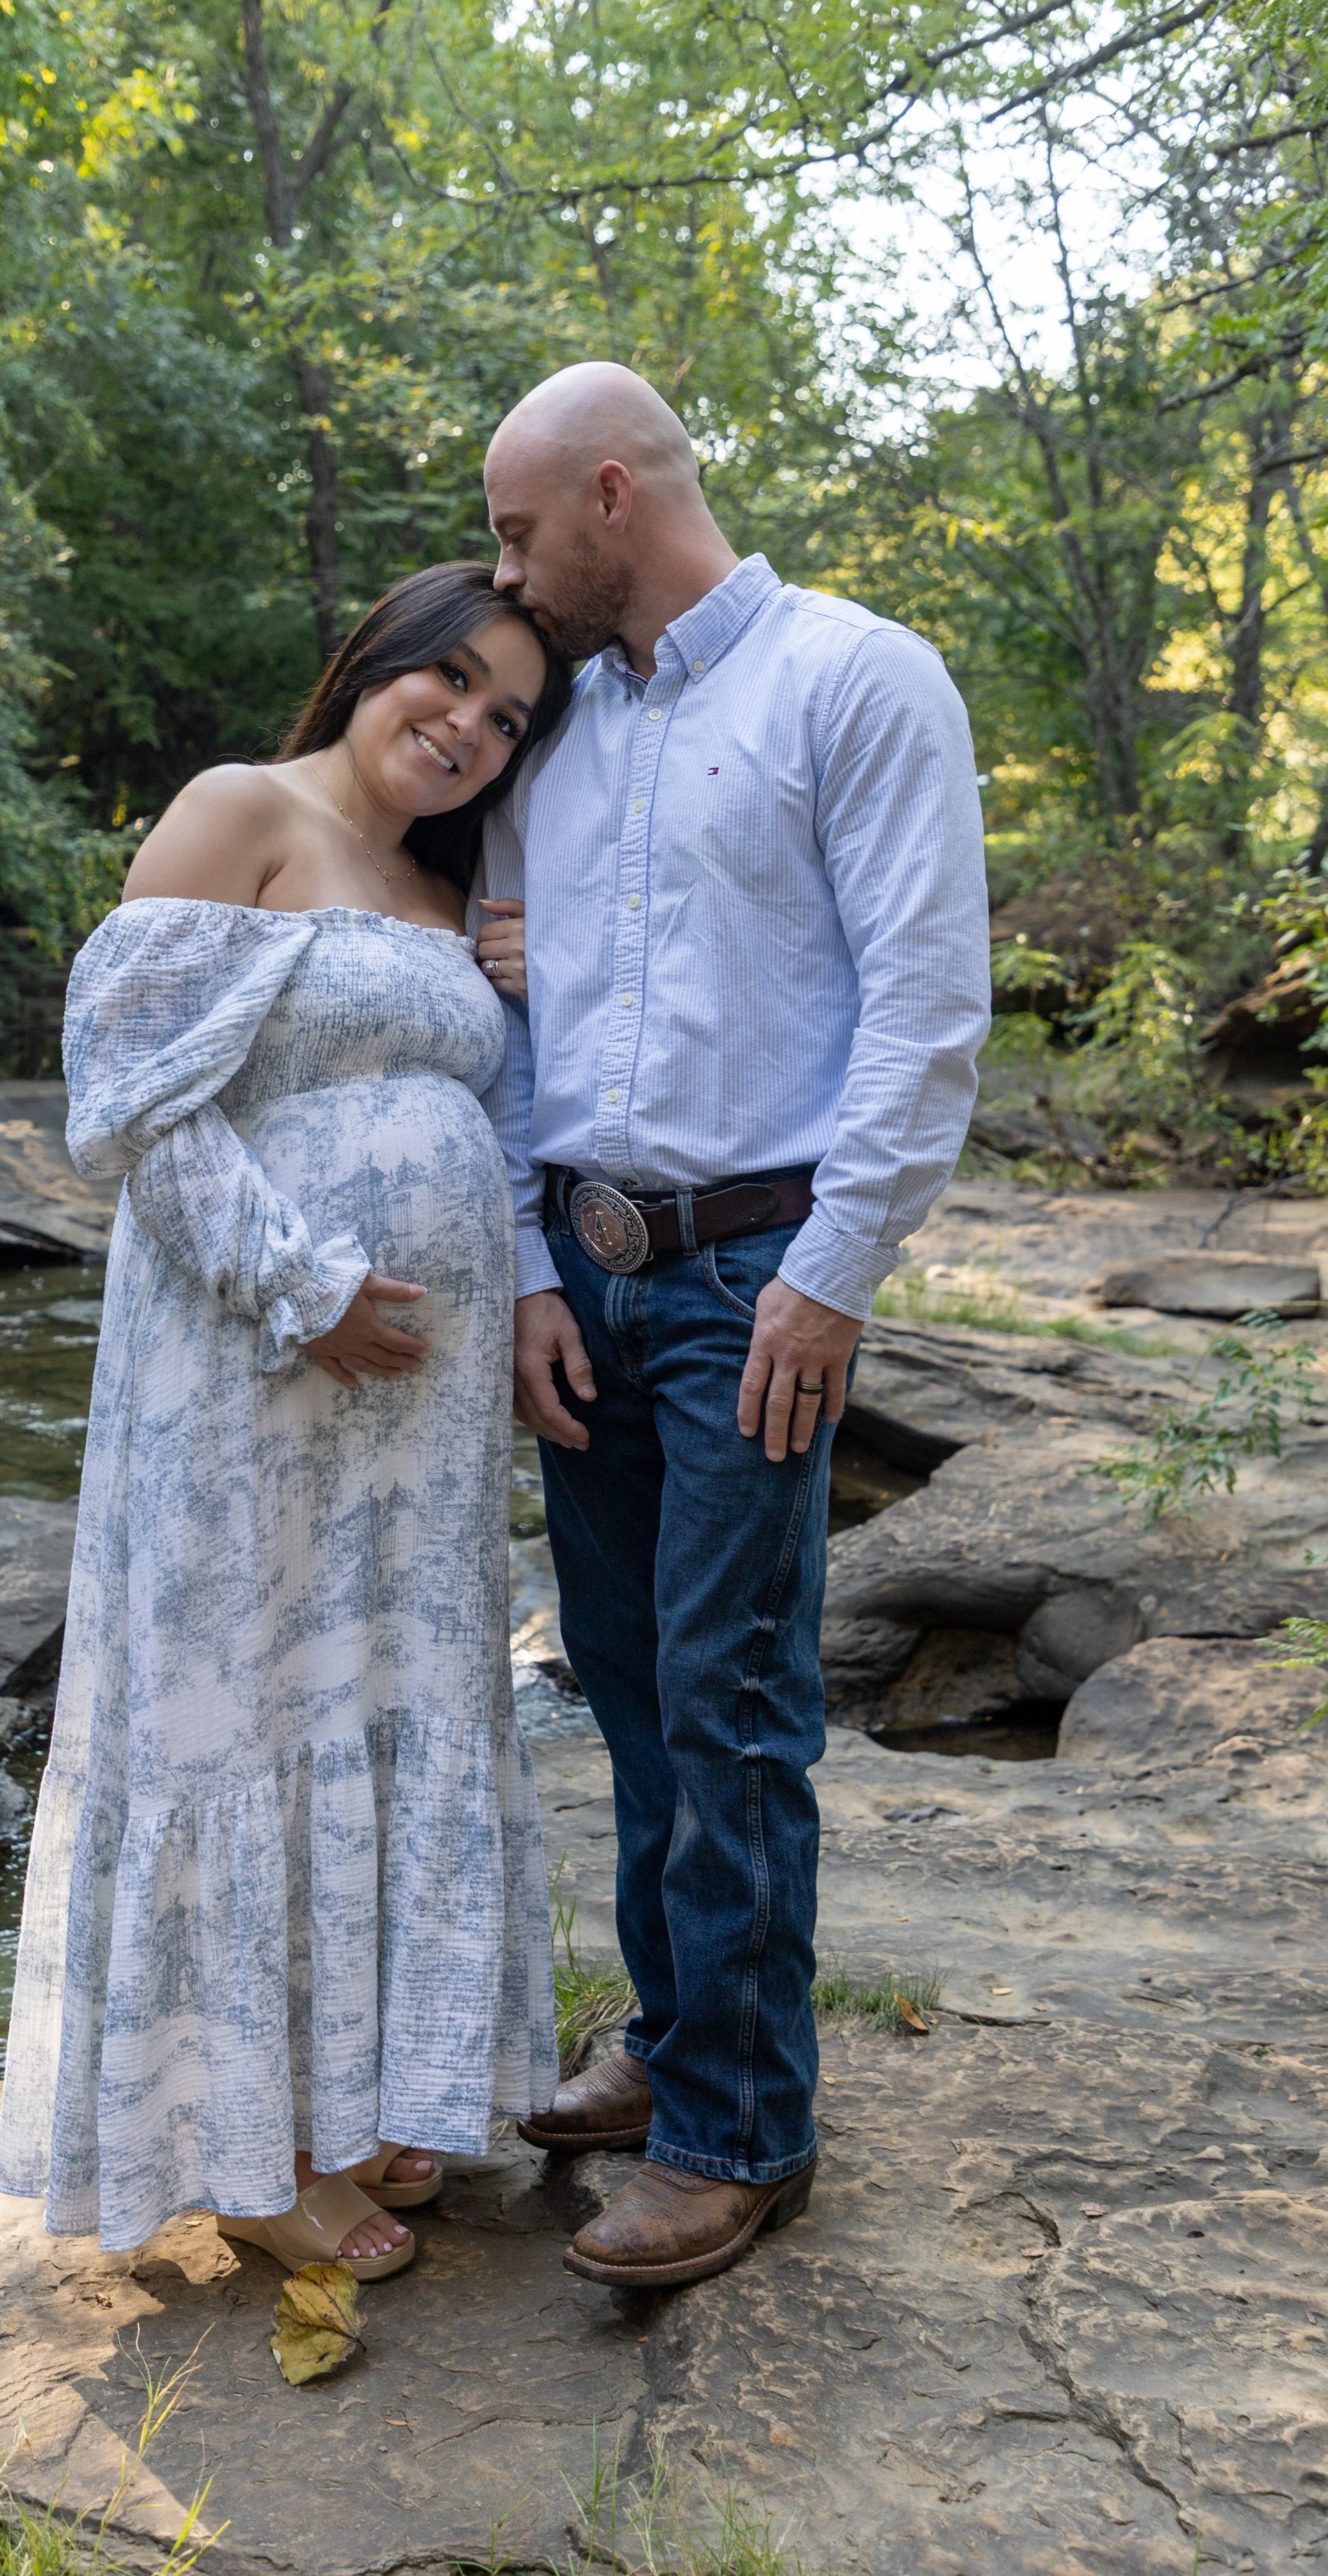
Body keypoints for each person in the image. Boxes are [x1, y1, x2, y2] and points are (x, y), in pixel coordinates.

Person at [473, 363, 991, 2290]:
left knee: (733, 1697)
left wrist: (832, 1271)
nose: (497, 565)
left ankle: (738, 2130)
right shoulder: (558, 729)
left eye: (518, 528)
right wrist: (532, 1265)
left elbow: (925, 1001)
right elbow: (518, 1024)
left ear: (612, 493)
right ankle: (678, 2034)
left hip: (749, 1280)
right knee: (620, 1682)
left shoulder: (854, 679)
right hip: (587, 1274)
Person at [0, 563, 569, 2276]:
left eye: (505, 719)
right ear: (372, 666)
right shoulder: (238, 809)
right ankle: (246, 2168)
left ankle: (358, 2100)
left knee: (390, 1706)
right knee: (238, 1712)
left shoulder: (443, 884)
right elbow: (129, 1090)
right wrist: (300, 1288)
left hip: (419, 1428)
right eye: (446, 682)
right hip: (247, 1373)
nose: (465, 727)